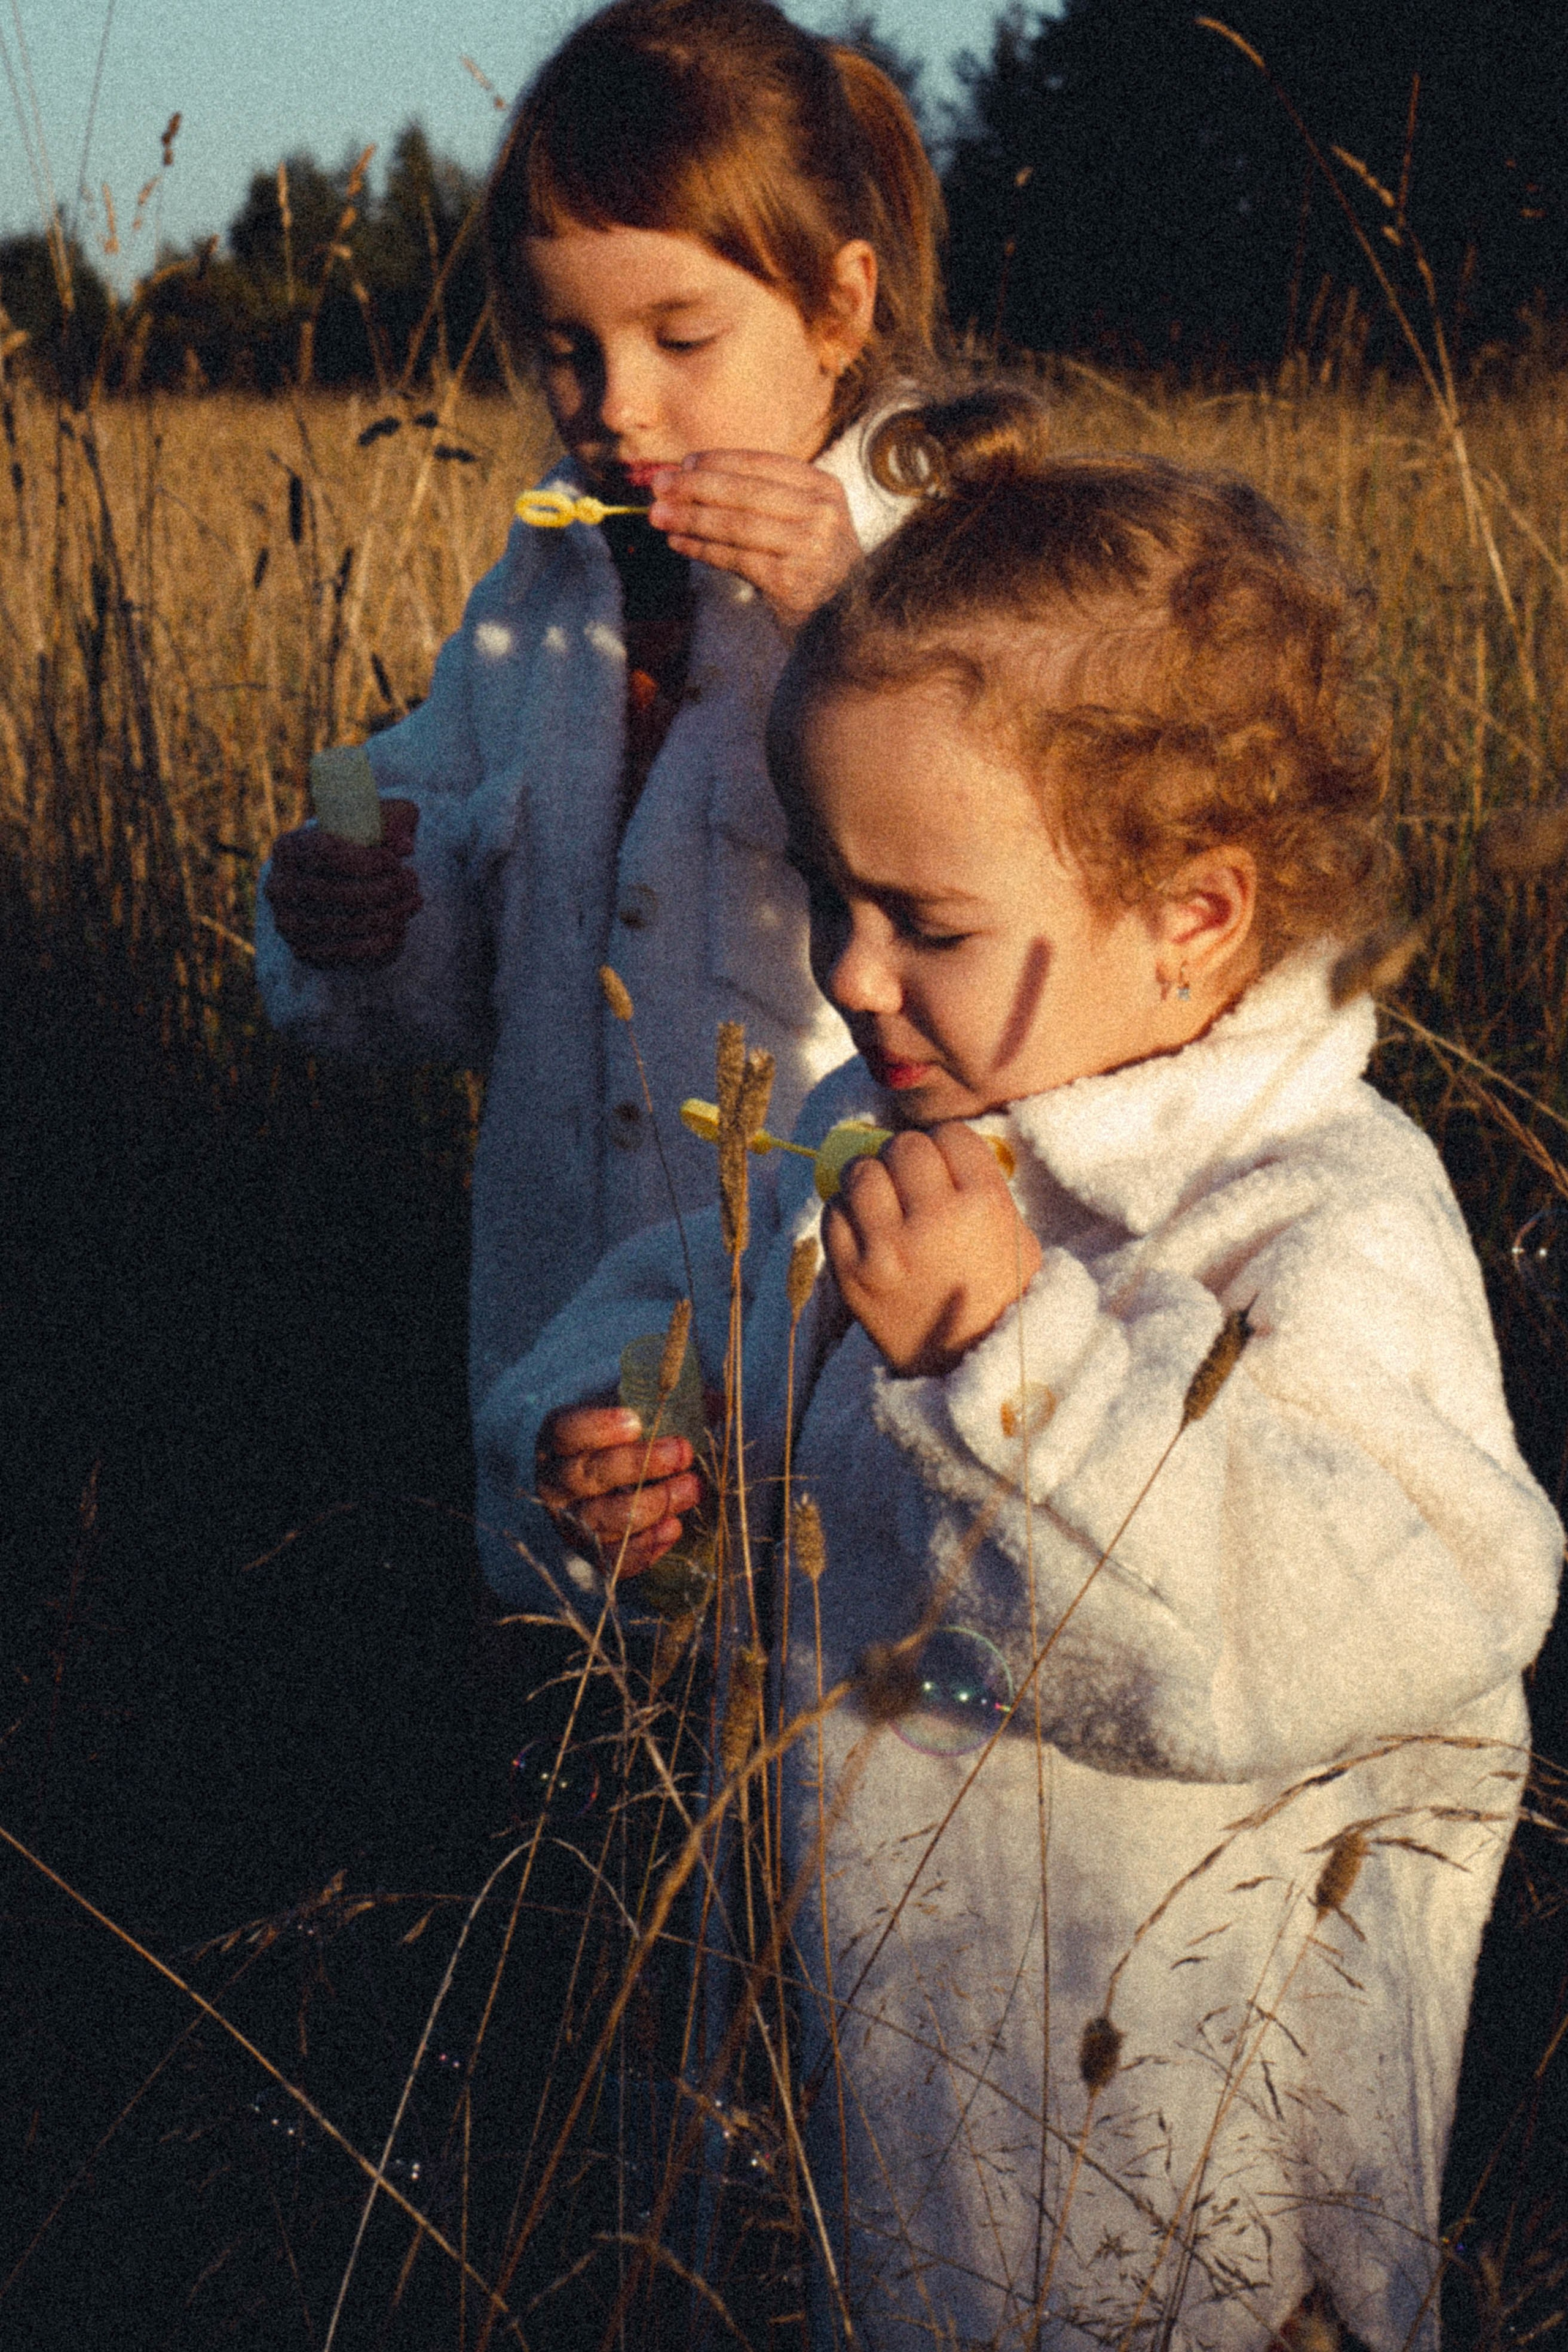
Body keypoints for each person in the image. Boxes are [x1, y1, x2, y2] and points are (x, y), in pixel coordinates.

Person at [489, 388, 1564, 2349]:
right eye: (827, 890)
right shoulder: (893, 1134)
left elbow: (1323, 1618)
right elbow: (684, 1292)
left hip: (1211, 2226)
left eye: (928, 920)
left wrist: (1008, 1368)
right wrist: (611, 1439)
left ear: (1193, 918)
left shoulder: (1324, 1220)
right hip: (882, 2144)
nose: (849, 973)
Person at [255, 0, 945, 1597]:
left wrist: (835, 635)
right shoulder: (538, 591)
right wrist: (364, 915)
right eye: (567, 346)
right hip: (568, 1346)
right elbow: (444, 929)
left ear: (840, 307)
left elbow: (1005, 887)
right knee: (585, 1760)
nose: (616, 403)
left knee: (794, 1754)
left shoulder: (939, 566)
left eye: (681, 340)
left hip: (824, 1337)